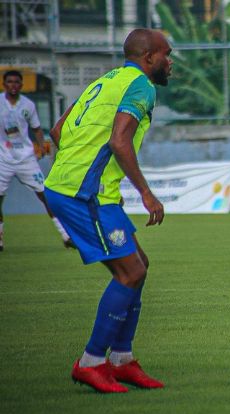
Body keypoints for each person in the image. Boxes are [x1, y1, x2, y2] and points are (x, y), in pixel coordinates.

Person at [44, 29, 172, 393]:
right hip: (83, 194)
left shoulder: (104, 81)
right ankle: (91, 361)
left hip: (75, 188)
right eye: (166, 54)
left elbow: (58, 130)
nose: (170, 61)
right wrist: (147, 194)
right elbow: (119, 141)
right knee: (129, 272)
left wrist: (77, 163)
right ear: (149, 58)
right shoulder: (142, 86)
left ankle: (121, 360)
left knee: (139, 266)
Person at [0, 70, 74, 251]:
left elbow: (37, 129)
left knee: (46, 196)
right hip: (3, 158)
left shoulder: (28, 105)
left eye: (17, 82)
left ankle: (66, 235)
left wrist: (43, 147)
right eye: (9, 82)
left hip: (26, 158)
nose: (13, 85)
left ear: (21, 85)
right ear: (4, 84)